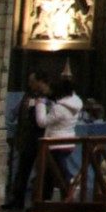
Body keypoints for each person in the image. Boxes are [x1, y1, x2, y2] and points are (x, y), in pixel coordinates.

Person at [1, 72, 48, 211]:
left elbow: (43, 120)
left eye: (32, 81)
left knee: (39, 173)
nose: (30, 83)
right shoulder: (28, 95)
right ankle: (17, 199)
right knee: (22, 171)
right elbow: (17, 113)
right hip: (26, 139)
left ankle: (38, 202)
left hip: (38, 140)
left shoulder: (45, 98)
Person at [33, 73, 82, 201]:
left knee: (60, 172)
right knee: (51, 172)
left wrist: (40, 105)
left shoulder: (60, 108)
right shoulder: (75, 103)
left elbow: (42, 122)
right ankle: (47, 198)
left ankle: (67, 195)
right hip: (67, 141)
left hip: (56, 143)